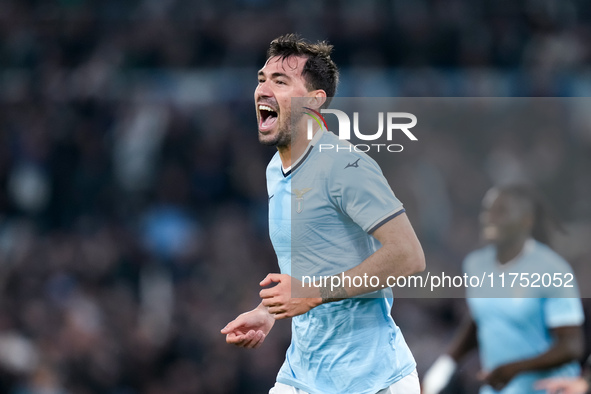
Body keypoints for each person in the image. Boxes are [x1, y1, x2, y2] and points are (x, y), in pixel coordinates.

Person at [220, 34, 425, 394]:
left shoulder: (345, 165)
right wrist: (269, 313)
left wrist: (313, 293)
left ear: (314, 101)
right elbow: (305, 268)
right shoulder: (274, 171)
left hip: (373, 380)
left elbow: (409, 255)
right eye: (261, 79)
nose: (264, 89)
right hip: (303, 376)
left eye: (281, 81)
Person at [423, 185, 585, 394]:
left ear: (526, 220)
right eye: (487, 210)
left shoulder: (552, 269)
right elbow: (480, 319)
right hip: (498, 388)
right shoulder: (476, 264)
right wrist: (443, 368)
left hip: (547, 389)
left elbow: (571, 346)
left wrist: (515, 368)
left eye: (501, 211)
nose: (489, 217)